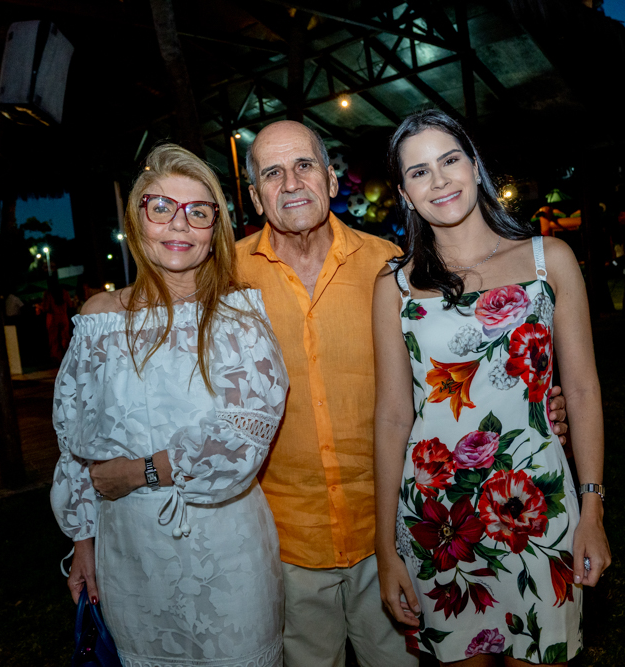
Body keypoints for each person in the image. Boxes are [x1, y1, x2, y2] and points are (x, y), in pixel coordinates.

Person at [95, 120, 569, 667]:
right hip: (284, 546)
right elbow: (155, 356)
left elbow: (454, 365)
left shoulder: (393, 268)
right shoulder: (223, 279)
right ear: (254, 196)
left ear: (330, 176)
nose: (291, 182)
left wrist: (536, 404)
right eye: (272, 172)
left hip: (390, 532)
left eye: (304, 166)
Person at [373, 110, 610, 665]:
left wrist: (592, 509)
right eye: (419, 171)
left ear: (475, 166)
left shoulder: (548, 259)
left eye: (450, 159)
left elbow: (581, 391)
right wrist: (386, 547)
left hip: (538, 501)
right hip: (438, 516)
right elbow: (390, 417)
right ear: (406, 194)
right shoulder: (395, 284)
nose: (440, 180)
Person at [52, 144, 289, 666]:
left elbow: (240, 442)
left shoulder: (240, 319)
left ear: (214, 230)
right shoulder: (99, 318)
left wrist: (137, 473)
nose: (178, 225)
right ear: (137, 219)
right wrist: (83, 542)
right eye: (161, 207)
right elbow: (75, 444)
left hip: (226, 553)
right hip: (128, 555)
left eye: (198, 212)